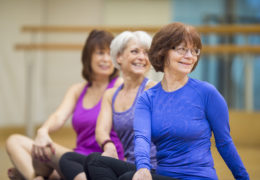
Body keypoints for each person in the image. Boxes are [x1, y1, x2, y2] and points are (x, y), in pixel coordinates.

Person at [84, 22, 250, 180]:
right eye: (182, 50)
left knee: (127, 178)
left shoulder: (207, 93)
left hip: (197, 177)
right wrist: (142, 167)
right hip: (163, 175)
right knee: (95, 162)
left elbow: (225, 143)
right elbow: (142, 138)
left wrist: (243, 178)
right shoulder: (147, 98)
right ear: (163, 52)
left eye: (194, 51)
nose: (189, 56)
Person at [5, 29, 124, 180]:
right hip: (74, 158)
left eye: (110, 54)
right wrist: (43, 131)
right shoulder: (77, 90)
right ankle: (35, 177)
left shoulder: (120, 86)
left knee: (54, 167)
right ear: (88, 57)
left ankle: (30, 176)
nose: (106, 59)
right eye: (101, 53)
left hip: (103, 162)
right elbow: (58, 116)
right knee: (14, 141)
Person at [59, 31, 157, 180]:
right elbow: (101, 130)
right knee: (72, 158)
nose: (142, 57)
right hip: (130, 165)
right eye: (135, 51)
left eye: (146, 53)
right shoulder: (111, 94)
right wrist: (108, 145)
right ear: (119, 57)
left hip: (152, 168)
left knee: (103, 167)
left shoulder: (153, 90)